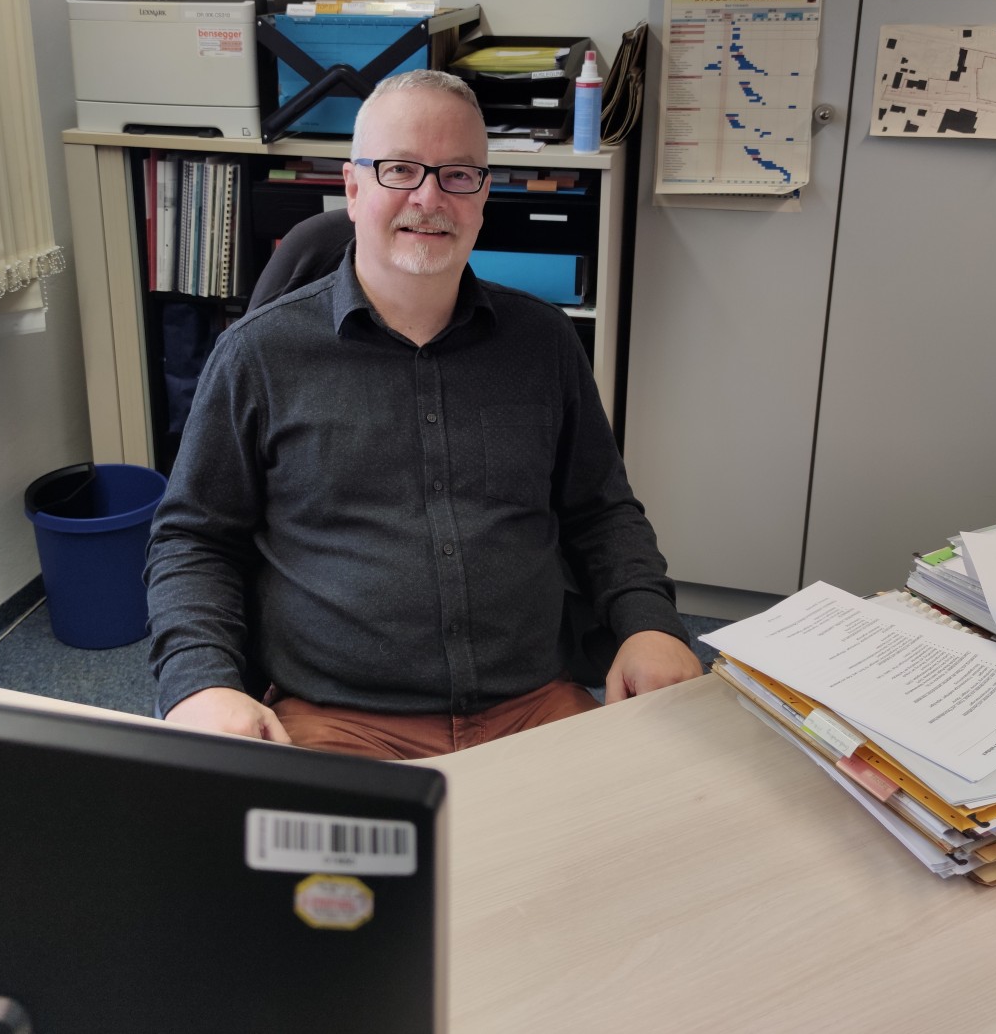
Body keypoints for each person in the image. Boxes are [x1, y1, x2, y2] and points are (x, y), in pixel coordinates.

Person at [145, 69, 700, 758]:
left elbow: (601, 510)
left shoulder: (544, 343)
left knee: (669, 817)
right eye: (400, 170)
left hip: (532, 702)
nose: (429, 198)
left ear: (483, 195)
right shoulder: (258, 355)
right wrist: (199, 681)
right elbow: (194, 540)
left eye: (459, 174)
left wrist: (649, 623)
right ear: (353, 188)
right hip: (338, 719)